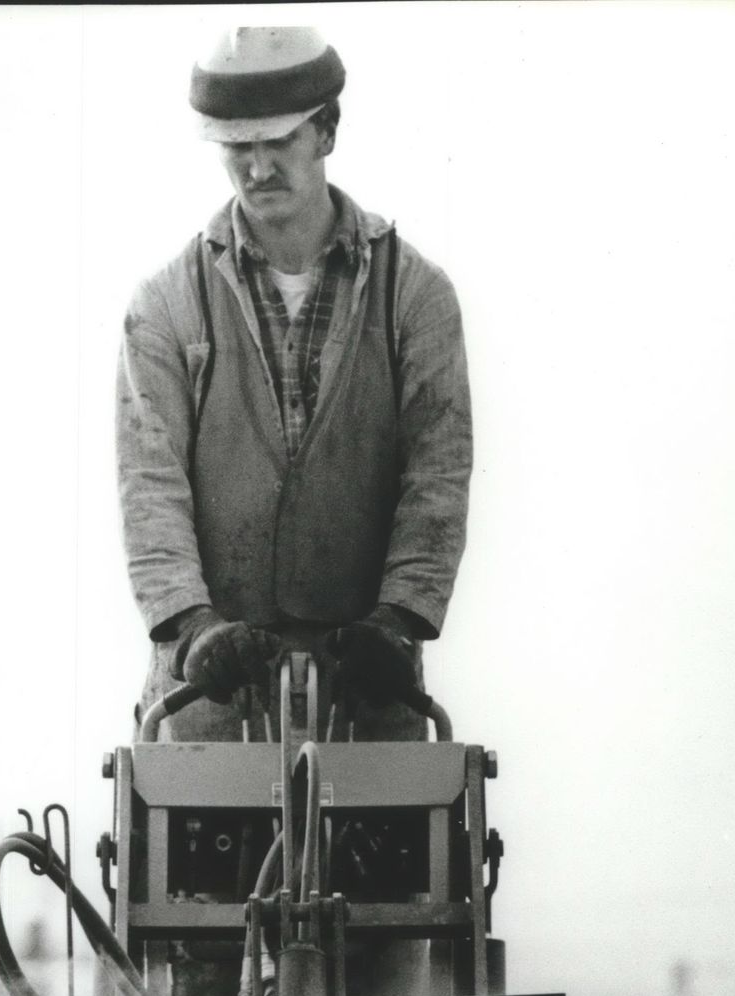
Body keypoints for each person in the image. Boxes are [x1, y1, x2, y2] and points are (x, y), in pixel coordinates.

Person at [116, 24, 473, 742]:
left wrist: (398, 621)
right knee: (195, 856)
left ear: (328, 131)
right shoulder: (166, 305)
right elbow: (150, 485)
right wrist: (193, 630)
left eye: (278, 141)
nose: (258, 170)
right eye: (238, 148)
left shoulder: (415, 296)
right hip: (209, 699)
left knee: (398, 852)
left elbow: (437, 473)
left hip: (368, 696)